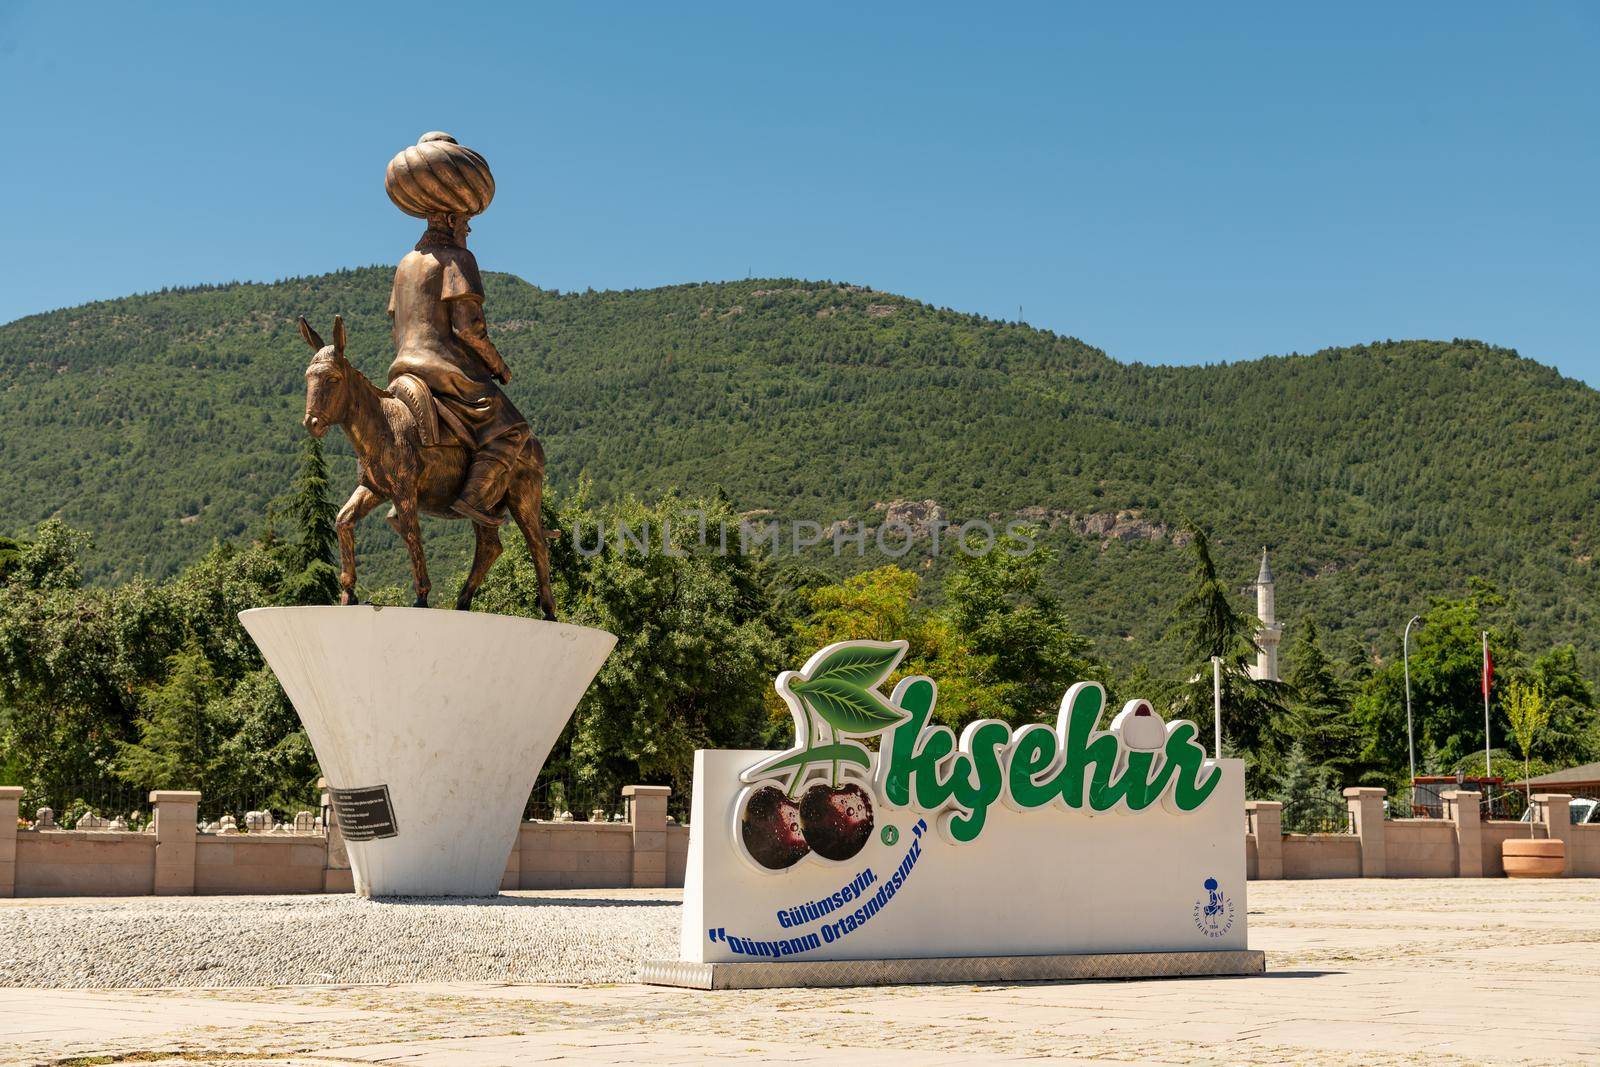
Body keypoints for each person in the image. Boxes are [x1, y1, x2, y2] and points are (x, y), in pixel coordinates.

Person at [384, 132, 530, 525]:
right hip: (447, 374)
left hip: (403, 372)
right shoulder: (457, 258)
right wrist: (498, 366)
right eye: (465, 222)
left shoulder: (404, 265)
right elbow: (469, 328)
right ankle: (473, 497)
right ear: (451, 219)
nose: (468, 229)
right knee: (512, 429)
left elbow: (397, 324)